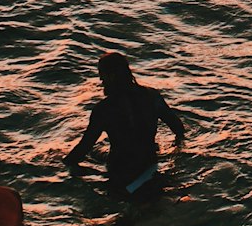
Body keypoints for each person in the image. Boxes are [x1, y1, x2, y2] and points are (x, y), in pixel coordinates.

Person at [66, 52, 185, 200]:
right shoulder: (152, 97)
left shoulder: (104, 109)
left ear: (111, 77)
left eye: (102, 77)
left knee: (92, 157)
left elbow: (83, 149)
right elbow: (179, 129)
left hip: (120, 174)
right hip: (149, 166)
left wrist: (58, 167)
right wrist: (175, 153)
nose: (101, 82)